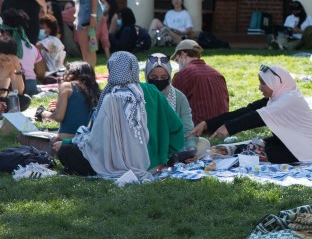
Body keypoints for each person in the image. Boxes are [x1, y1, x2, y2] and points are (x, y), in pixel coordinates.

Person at [54, 51, 184, 179]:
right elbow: (176, 126)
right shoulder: (152, 91)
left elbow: (97, 140)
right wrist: (165, 156)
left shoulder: (110, 98)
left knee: (66, 152)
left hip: (114, 165)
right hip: (154, 165)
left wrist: (67, 142)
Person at [189, 64, 312, 164]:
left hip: (303, 152)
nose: (260, 87)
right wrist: (208, 124)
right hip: (286, 144)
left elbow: (255, 118)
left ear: (275, 82)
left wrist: (228, 128)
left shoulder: (288, 100)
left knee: (244, 159)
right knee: (234, 149)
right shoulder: (278, 96)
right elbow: (248, 111)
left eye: (263, 83)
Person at [146, 53, 206, 159]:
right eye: (154, 77)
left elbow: (188, 130)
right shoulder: (141, 95)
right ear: (147, 76)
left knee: (203, 144)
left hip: (174, 145)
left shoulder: (179, 97)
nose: (159, 81)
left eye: (163, 77)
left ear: (169, 76)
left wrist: (190, 149)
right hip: (147, 145)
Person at [170, 39, 229, 126]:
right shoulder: (217, 74)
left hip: (197, 127)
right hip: (221, 126)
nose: (178, 65)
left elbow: (171, 106)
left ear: (183, 54)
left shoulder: (182, 75)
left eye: (177, 60)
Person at [40, 61, 98, 139]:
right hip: (90, 141)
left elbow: (58, 117)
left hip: (67, 140)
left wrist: (43, 113)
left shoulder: (67, 86)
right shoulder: (95, 91)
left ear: (71, 74)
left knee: (24, 137)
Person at [36, 14, 66, 84]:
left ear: (48, 30)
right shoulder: (53, 40)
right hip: (57, 71)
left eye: (41, 27)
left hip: (54, 73)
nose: (39, 29)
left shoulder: (51, 40)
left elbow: (36, 47)